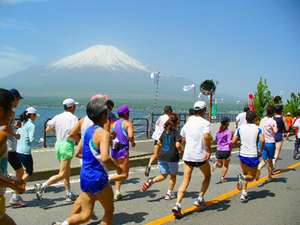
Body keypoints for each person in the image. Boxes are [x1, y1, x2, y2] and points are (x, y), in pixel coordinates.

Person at [52, 98, 122, 225]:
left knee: (86, 215)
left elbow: (86, 149)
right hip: (98, 177)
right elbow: (105, 158)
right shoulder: (103, 133)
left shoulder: (89, 130)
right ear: (103, 115)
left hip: (85, 175)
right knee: (109, 210)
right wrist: (118, 168)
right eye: (106, 112)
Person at [172, 101, 211, 217]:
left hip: (188, 155)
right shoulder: (206, 123)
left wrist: (185, 147)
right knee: (207, 176)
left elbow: (182, 137)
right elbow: (206, 136)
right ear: (204, 110)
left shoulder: (188, 122)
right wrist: (208, 149)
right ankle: (199, 198)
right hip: (200, 156)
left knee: (185, 180)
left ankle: (177, 204)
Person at [35, 98, 79, 202]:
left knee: (66, 171)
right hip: (67, 145)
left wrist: (58, 130)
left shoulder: (58, 117)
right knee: (63, 173)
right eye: (75, 106)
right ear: (72, 107)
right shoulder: (74, 118)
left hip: (58, 144)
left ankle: (68, 193)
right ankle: (42, 186)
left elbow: (47, 129)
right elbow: (74, 134)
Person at [141, 114, 183, 200]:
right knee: (173, 176)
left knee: (163, 175)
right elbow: (178, 145)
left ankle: (151, 181)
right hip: (172, 157)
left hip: (162, 156)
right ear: (176, 122)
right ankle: (168, 193)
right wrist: (182, 151)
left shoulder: (164, 131)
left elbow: (159, 143)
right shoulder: (176, 133)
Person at [0, 88, 26, 225]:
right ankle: (15, 198)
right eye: (9, 109)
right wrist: (13, 184)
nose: (12, 113)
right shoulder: (1, 135)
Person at [232, 111, 265, 203]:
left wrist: (239, 146)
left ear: (246, 119)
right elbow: (262, 140)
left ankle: (244, 193)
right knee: (251, 177)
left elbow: (233, 141)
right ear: (255, 119)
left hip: (242, 154)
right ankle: (241, 178)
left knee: (245, 173)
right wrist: (260, 151)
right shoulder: (258, 128)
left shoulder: (240, 128)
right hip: (253, 154)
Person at [109, 104, 136, 200]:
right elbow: (131, 136)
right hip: (123, 151)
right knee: (125, 175)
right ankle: (106, 179)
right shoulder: (127, 123)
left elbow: (111, 136)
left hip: (113, 150)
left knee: (118, 171)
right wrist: (132, 142)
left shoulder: (114, 124)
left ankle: (117, 192)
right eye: (128, 112)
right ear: (126, 113)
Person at [7, 89, 25, 207]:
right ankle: (15, 197)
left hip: (6, 147)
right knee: (20, 171)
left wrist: (13, 126)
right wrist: (15, 134)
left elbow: (6, 126)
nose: (18, 101)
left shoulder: (6, 111)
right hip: (8, 148)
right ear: (13, 98)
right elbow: (4, 128)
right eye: (18, 99)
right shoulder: (10, 112)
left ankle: (15, 196)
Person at [145, 105, 173, 177]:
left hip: (156, 136)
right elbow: (168, 129)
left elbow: (156, 124)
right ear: (169, 111)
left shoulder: (160, 117)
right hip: (163, 138)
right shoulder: (169, 118)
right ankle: (166, 168)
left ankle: (149, 165)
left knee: (155, 153)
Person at [16, 107, 39, 183]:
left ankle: (19, 187)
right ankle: (17, 187)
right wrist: (39, 141)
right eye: (35, 115)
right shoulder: (31, 125)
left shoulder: (22, 123)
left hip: (17, 151)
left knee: (21, 171)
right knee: (29, 172)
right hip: (25, 152)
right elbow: (31, 139)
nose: (36, 117)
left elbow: (17, 135)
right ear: (32, 115)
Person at [257, 105, 277, 180]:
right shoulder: (273, 121)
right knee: (270, 160)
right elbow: (275, 131)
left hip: (262, 142)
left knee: (263, 160)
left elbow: (259, 130)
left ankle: (258, 169)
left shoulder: (262, 120)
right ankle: (269, 176)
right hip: (270, 143)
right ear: (273, 113)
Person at [211, 117, 232, 183]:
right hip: (226, 150)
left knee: (220, 165)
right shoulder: (228, 132)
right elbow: (229, 142)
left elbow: (215, 140)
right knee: (225, 165)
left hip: (219, 150)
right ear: (227, 124)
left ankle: (216, 164)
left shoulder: (218, 132)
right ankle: (222, 178)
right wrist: (231, 147)